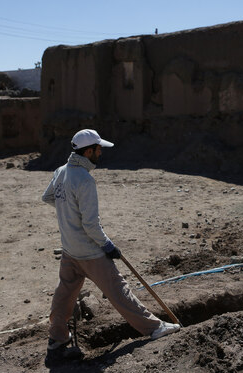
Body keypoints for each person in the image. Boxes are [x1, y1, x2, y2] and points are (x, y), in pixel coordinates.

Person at [42, 129, 180, 366]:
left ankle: (56, 341)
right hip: (89, 251)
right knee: (119, 290)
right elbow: (91, 224)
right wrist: (108, 246)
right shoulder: (84, 179)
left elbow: (48, 198)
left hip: (69, 250)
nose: (100, 153)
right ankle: (154, 328)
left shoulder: (61, 172)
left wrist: (67, 212)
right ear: (88, 151)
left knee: (64, 295)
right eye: (98, 149)